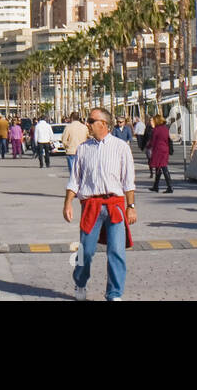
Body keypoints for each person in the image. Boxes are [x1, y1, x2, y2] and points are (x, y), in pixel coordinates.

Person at [63, 106, 136, 301]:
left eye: (91, 120)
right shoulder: (83, 148)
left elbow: (128, 181)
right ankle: (80, 283)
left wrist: (131, 207)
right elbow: (75, 180)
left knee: (116, 251)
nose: (87, 123)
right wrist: (68, 203)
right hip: (91, 205)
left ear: (103, 124)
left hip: (115, 205)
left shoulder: (121, 148)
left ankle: (114, 293)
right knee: (85, 251)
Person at [147, 114, 173, 192]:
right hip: (165, 149)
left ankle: (169, 187)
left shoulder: (156, 129)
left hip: (158, 150)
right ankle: (156, 186)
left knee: (163, 168)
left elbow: (153, 140)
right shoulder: (165, 129)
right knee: (159, 168)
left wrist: (148, 146)